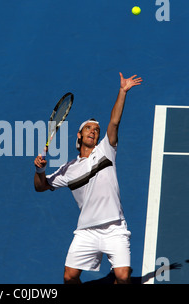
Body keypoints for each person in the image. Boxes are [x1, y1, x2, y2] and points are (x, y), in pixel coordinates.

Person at [33, 72, 142, 284]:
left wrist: (122, 92)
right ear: (79, 135)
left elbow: (115, 121)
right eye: (89, 128)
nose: (93, 131)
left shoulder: (106, 150)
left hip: (114, 228)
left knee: (123, 277)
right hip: (86, 231)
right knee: (69, 277)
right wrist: (39, 170)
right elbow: (41, 187)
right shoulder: (69, 169)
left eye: (97, 130)